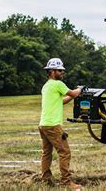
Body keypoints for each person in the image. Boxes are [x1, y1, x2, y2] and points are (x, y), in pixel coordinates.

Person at [38, 58, 82, 190]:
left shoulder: (46, 86)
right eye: (59, 70)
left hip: (43, 124)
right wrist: (80, 89)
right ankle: (66, 181)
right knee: (64, 152)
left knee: (46, 153)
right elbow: (73, 93)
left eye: (62, 71)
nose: (62, 73)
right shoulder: (58, 84)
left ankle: (46, 179)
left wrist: (75, 94)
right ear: (51, 71)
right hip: (53, 125)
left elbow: (61, 101)